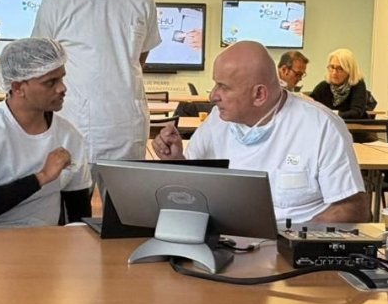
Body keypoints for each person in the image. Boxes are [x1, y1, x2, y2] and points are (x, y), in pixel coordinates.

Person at [152, 41, 368, 223]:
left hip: (290, 251)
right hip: (225, 241)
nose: (212, 96)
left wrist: (288, 241)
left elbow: (353, 209)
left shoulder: (322, 127)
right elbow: (192, 189)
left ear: (259, 95)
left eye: (223, 86)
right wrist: (176, 161)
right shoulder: (217, 121)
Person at [31, 0, 158, 164]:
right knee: (72, 187)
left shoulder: (141, 1)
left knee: (124, 189)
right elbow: (42, 64)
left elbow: (138, 59)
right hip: (74, 121)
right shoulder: (58, 0)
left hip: (127, 124)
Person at [0, 38, 92, 229]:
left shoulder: (69, 136)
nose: (62, 88)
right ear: (17, 87)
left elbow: (79, 214)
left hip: (42, 240)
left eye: (61, 78)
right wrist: (42, 177)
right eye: (50, 82)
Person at [309, 48, 373, 118]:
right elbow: (310, 107)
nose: (334, 72)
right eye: (332, 67)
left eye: (340, 68)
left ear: (349, 70)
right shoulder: (323, 86)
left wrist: (331, 114)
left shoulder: (357, 85)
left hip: (351, 124)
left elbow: (356, 113)